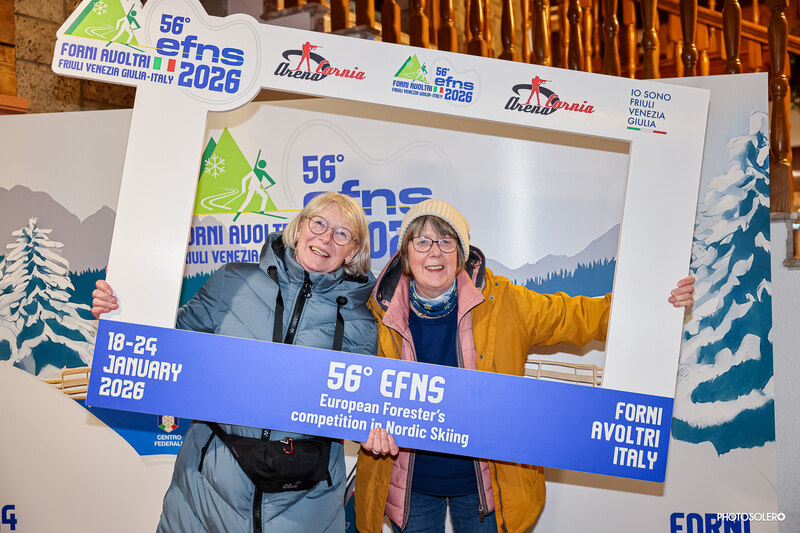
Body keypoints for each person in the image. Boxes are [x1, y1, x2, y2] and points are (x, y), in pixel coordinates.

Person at [355, 199, 694, 533]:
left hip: (487, 485)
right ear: (406, 253)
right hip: (409, 484)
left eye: (446, 241)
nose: (435, 252)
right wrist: (367, 426)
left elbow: (579, 316)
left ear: (461, 253)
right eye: (422, 241)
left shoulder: (503, 301)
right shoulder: (375, 312)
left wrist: (657, 303)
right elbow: (352, 393)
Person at [92, 192, 377, 533]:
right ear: (300, 227)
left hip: (305, 507)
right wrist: (122, 313)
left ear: (353, 251)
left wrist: (376, 430)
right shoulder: (233, 281)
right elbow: (167, 343)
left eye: (342, 233)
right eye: (319, 223)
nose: (326, 238)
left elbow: (362, 407)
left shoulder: (362, 321)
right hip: (206, 496)